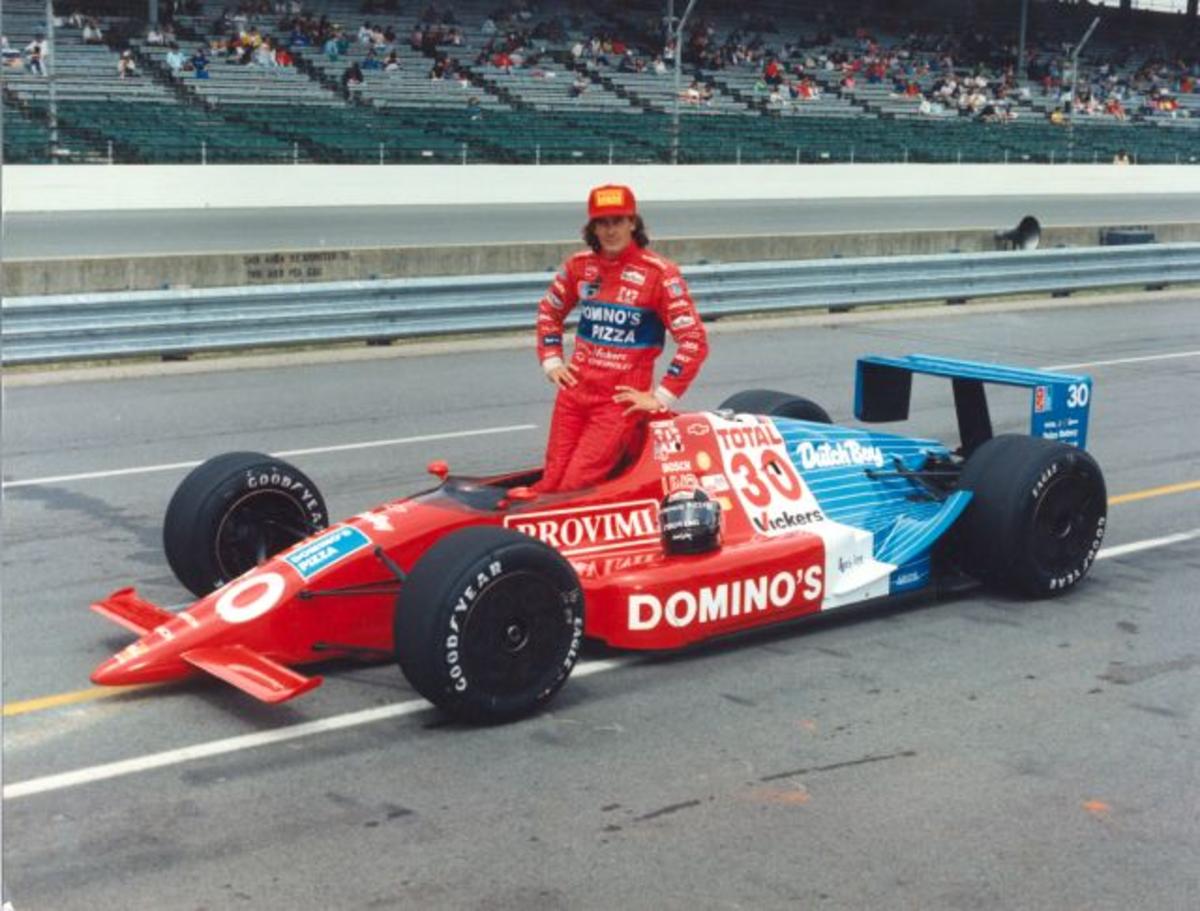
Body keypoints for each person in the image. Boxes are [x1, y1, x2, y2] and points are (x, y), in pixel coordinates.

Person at [533, 185, 709, 493]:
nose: (610, 230)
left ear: (633, 223)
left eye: (618, 220)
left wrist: (660, 398)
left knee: (575, 485)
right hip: (574, 394)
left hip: (618, 403)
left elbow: (694, 341)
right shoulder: (578, 266)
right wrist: (551, 361)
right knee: (550, 482)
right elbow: (549, 310)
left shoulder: (660, 274)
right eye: (603, 222)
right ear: (592, 228)